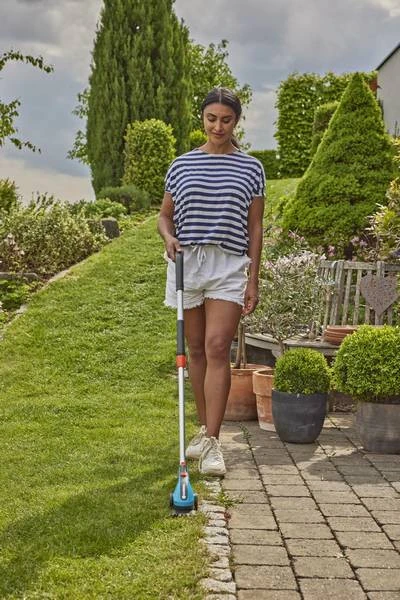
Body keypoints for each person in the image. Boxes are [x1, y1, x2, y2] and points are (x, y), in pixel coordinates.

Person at [158, 87, 265, 476]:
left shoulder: (251, 168)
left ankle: (215, 443)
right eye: (211, 118)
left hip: (228, 264)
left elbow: (255, 227)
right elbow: (164, 216)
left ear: (236, 121)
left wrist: (253, 279)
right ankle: (204, 431)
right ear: (202, 118)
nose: (218, 126)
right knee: (197, 350)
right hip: (187, 262)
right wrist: (168, 238)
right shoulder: (181, 165)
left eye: (226, 120)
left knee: (218, 346)